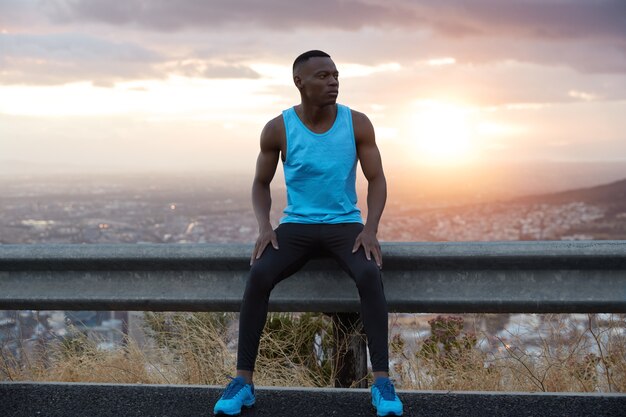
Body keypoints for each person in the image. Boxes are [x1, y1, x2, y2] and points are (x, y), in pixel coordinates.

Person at [213, 50, 403, 417]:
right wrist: (265, 226)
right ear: (299, 82)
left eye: (335, 75)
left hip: (345, 226)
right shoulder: (278, 128)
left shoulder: (357, 123)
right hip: (296, 227)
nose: (332, 82)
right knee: (259, 275)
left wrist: (371, 228)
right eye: (322, 76)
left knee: (368, 273)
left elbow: (377, 178)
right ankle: (243, 383)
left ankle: (382, 383)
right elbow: (260, 183)